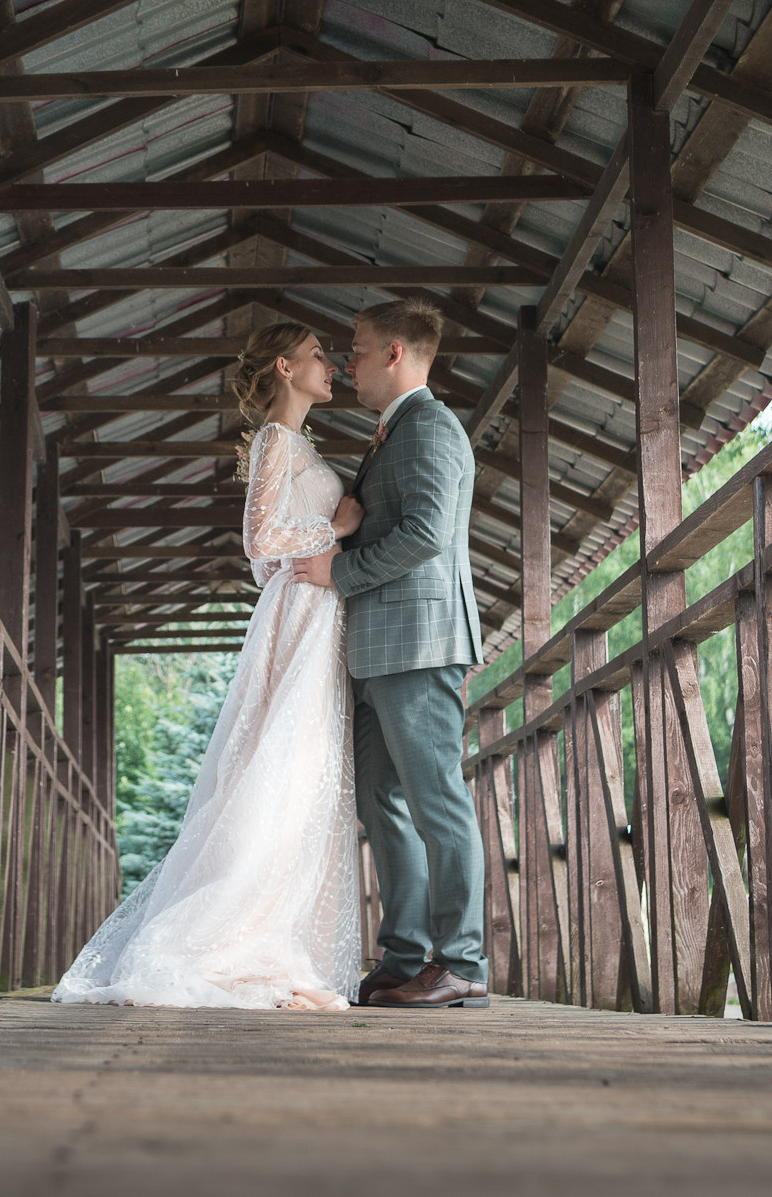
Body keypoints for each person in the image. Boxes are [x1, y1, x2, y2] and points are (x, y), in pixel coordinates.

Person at [53, 323, 363, 1010]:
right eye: (317, 355)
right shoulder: (275, 442)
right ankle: (225, 938)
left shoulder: (297, 444)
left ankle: (274, 936)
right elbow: (260, 544)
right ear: (284, 366)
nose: (332, 364)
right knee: (281, 770)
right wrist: (337, 531)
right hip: (300, 612)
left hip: (316, 613)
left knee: (303, 777)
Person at [296, 298, 490, 1009]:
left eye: (357, 347)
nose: (348, 361)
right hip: (377, 651)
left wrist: (337, 574)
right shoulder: (392, 433)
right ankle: (405, 955)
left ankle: (462, 962)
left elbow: (428, 533)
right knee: (382, 804)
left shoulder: (430, 426)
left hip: (419, 643)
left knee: (436, 798)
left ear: (397, 353)